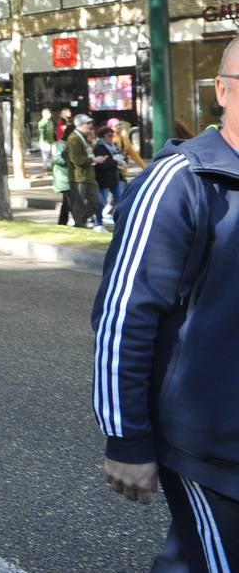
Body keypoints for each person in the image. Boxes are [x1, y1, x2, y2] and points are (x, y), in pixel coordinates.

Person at [91, 35, 239, 572]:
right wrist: (126, 438)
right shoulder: (181, 180)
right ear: (222, 91)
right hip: (212, 448)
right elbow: (124, 313)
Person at [66, 114, 101, 229]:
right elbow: (76, 159)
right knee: (78, 203)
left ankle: (80, 221)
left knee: (96, 202)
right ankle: (79, 224)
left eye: (91, 123)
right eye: (88, 123)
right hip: (78, 177)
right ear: (80, 125)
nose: (91, 126)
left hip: (89, 176)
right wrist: (94, 160)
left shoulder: (83, 137)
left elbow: (88, 152)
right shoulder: (74, 139)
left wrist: (92, 141)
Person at [91, 126, 125, 231]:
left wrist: (121, 161)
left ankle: (121, 222)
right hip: (104, 179)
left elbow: (120, 157)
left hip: (116, 177)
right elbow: (101, 165)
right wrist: (115, 162)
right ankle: (98, 223)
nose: (111, 137)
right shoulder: (99, 148)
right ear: (102, 137)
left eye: (112, 135)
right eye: (109, 135)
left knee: (121, 200)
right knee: (102, 202)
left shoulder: (113, 146)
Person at [50, 138, 72, 226]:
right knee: (69, 201)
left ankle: (62, 222)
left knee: (66, 202)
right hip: (63, 177)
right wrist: (69, 163)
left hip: (67, 176)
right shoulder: (62, 145)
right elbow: (57, 159)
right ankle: (73, 220)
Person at [36, 108, 55, 172]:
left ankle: (51, 167)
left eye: (50, 113)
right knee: (45, 156)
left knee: (54, 154)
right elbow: (41, 133)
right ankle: (45, 168)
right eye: (48, 113)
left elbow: (52, 132)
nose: (50, 115)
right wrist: (44, 140)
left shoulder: (50, 122)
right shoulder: (41, 123)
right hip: (45, 142)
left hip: (52, 141)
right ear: (44, 114)